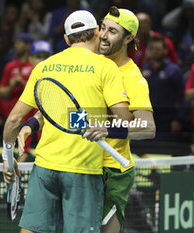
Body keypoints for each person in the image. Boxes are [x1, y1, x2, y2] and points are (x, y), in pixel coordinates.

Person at [18, 7, 156, 233]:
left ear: (129, 38)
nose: (102, 35)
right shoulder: (90, 62)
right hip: (79, 165)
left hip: (112, 171)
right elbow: (60, 103)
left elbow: (147, 127)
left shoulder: (134, 79)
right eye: (102, 28)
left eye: (112, 31)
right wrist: (32, 124)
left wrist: (107, 129)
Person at [141, 35, 184, 142]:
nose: (155, 51)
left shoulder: (174, 70)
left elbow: (182, 96)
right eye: (152, 49)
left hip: (166, 121)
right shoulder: (144, 69)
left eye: (158, 49)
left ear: (165, 51)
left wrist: (178, 119)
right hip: (146, 120)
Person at [0, 33, 34, 116]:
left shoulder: (34, 66)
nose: (15, 45)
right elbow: (1, 94)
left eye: (19, 42)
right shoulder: (10, 66)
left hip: (29, 115)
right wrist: (11, 86)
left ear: (28, 46)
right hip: (11, 113)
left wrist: (23, 84)